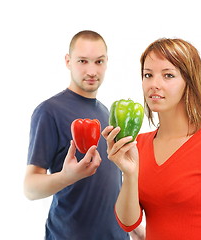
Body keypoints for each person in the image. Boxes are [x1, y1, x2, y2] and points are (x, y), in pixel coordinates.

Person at [102, 38, 201, 240]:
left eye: (168, 75)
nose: (154, 84)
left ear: (189, 82)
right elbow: (128, 222)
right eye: (148, 75)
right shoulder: (138, 145)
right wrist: (129, 173)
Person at [23, 30, 130, 240]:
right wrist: (66, 177)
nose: (91, 70)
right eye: (83, 61)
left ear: (106, 62)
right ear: (68, 61)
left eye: (98, 62)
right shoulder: (49, 111)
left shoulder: (106, 113)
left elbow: (112, 183)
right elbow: (30, 188)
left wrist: (131, 227)